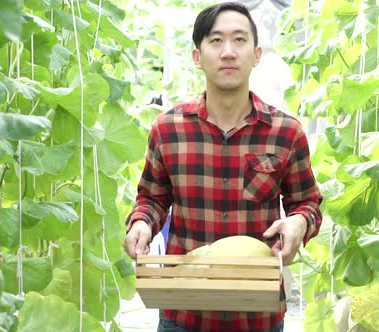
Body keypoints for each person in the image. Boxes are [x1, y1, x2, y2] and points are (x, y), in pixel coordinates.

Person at [124, 2, 323, 331]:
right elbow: (152, 198)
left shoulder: (286, 132)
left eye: (240, 40)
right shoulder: (168, 128)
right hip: (184, 313)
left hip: (258, 315)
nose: (228, 52)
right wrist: (142, 224)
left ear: (257, 55)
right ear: (197, 57)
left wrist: (300, 223)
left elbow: (308, 202)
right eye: (216, 41)